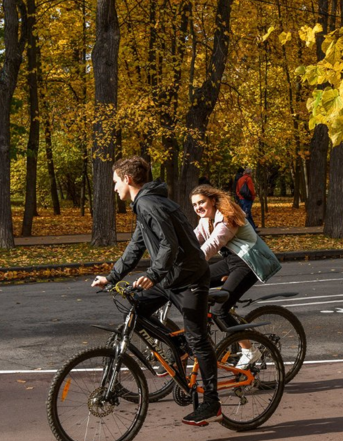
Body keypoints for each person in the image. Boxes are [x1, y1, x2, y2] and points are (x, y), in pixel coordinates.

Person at [91, 157, 222, 427]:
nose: (114, 187)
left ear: (127, 179)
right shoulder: (145, 204)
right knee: (133, 307)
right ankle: (178, 347)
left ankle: (212, 402)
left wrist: (152, 275)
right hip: (172, 276)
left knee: (198, 339)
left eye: (115, 181)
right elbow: (136, 245)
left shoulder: (149, 203)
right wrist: (112, 277)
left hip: (190, 277)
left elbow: (169, 245)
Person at [191, 184, 281, 367]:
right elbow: (193, 241)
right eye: (194, 205)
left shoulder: (227, 218)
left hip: (247, 262)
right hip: (231, 261)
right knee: (194, 284)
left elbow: (213, 244)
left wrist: (192, 265)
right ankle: (222, 326)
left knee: (218, 310)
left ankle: (249, 351)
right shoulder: (205, 220)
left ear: (213, 200)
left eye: (201, 202)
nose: (198, 207)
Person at [235, 167, 258, 231]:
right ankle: (250, 229)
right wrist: (253, 196)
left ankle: (252, 227)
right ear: (250, 173)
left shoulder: (240, 179)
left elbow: (237, 190)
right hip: (247, 199)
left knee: (245, 213)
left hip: (241, 198)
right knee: (246, 214)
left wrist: (239, 196)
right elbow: (251, 189)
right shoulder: (248, 179)